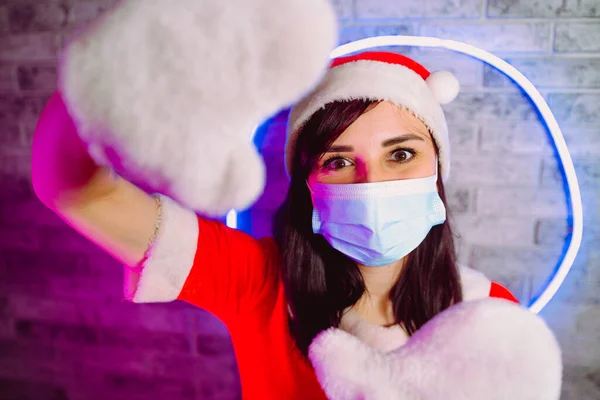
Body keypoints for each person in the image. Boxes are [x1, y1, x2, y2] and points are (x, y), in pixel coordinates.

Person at [32, 51, 518, 399]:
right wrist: (121, 64)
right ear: (307, 185)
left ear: (438, 168)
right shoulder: (259, 281)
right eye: (338, 162)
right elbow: (74, 188)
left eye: (402, 154)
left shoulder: (491, 314)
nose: (372, 182)